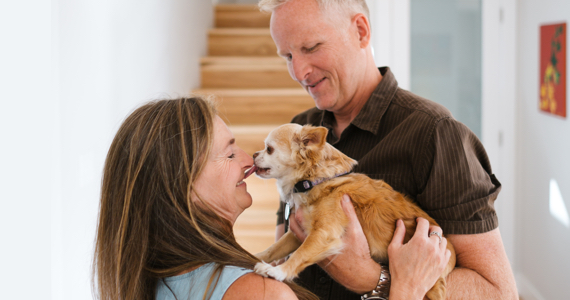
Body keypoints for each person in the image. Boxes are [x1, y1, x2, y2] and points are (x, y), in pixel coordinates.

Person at [258, 0, 519, 299]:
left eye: (312, 47)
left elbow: (496, 292)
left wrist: (371, 278)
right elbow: (285, 246)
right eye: (288, 56)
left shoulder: (437, 134)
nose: (299, 71)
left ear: (360, 31)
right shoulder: (298, 129)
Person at [92, 97, 446, 300]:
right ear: (181, 187)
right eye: (230, 154)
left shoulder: (157, 281)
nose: (249, 161)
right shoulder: (259, 294)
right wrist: (406, 289)